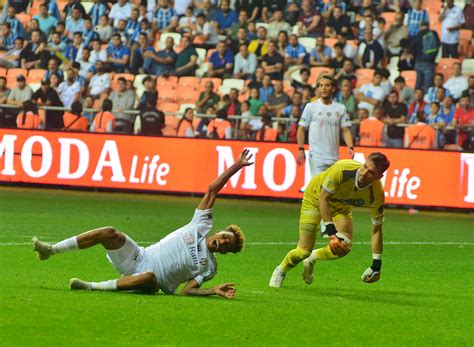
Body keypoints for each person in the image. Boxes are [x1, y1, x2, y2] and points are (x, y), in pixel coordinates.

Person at [32, 150, 252, 297]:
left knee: (150, 277)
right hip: (140, 256)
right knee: (109, 232)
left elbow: (187, 291)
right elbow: (212, 189)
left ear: (224, 252)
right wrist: (237, 165)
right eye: (225, 236)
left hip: (152, 283)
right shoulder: (200, 225)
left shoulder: (209, 267)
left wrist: (213, 290)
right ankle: (50, 250)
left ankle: (89, 286)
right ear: (219, 231)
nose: (223, 242)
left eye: (227, 245)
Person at [269, 152, 391, 288]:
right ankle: (281, 269)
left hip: (341, 206)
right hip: (315, 198)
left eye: (371, 172)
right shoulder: (343, 169)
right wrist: (331, 232)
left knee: (344, 246)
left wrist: (376, 264)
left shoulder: (377, 193)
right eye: (364, 167)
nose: (363, 173)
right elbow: (323, 198)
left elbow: (376, 230)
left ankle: (313, 257)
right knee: (303, 250)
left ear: (379, 177)